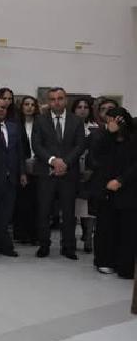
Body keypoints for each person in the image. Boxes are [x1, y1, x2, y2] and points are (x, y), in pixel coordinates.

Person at [31, 87, 86, 260]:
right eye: (53, 99)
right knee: (44, 212)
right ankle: (44, 245)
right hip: (46, 173)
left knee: (69, 213)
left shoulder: (76, 120)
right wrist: (53, 160)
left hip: (69, 174)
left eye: (60, 98)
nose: (56, 102)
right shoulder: (40, 120)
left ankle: (68, 247)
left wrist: (65, 162)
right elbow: (36, 145)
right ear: (49, 101)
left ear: (66, 100)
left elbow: (80, 145)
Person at [91, 107, 137, 278]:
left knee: (127, 229)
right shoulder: (103, 137)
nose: (112, 123)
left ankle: (125, 265)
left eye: (116, 120)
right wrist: (109, 135)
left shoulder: (133, 139)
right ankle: (105, 261)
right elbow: (97, 158)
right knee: (106, 227)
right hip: (107, 189)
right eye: (109, 120)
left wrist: (121, 180)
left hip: (128, 189)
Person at [0, 98, 25, 257]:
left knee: (5, 214)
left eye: (3, 107)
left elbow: (20, 152)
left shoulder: (14, 127)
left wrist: (22, 173)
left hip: (10, 178)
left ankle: (2, 245)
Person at [71, 97, 98, 254]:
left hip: (90, 171)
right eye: (79, 107)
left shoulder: (95, 127)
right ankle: (71, 239)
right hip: (71, 169)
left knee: (88, 206)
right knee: (73, 206)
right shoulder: (68, 125)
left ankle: (88, 238)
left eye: (85, 107)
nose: (82, 110)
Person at [13, 96, 40, 245]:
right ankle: (21, 234)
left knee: (37, 202)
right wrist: (22, 166)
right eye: (26, 104)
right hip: (20, 165)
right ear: (21, 107)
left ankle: (35, 234)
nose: (29, 107)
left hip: (39, 165)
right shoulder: (16, 124)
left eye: (32, 105)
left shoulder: (41, 123)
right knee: (22, 202)